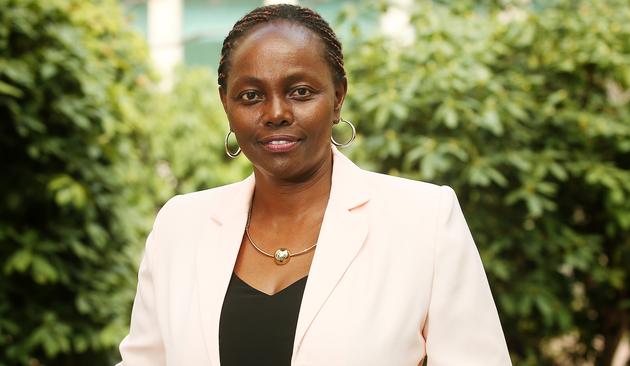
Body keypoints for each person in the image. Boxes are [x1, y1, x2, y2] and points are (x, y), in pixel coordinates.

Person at [117, 4, 511, 366]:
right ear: (226, 105)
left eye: (300, 91)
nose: (275, 113)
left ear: (338, 97)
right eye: (251, 95)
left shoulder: (424, 220)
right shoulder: (180, 226)